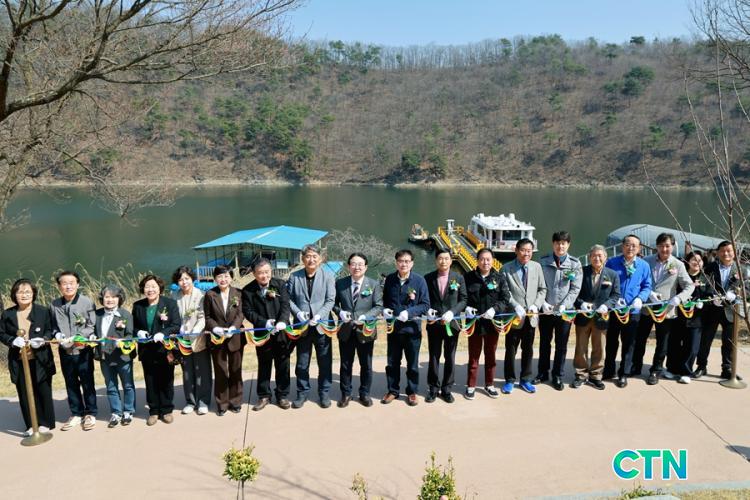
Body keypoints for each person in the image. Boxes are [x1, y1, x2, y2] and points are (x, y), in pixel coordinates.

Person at [632, 233, 694, 385]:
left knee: (662, 343)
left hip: (666, 310)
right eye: (661, 246)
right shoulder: (646, 261)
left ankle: (656, 370)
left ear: (672, 246)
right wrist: (648, 293)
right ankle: (635, 366)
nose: (664, 249)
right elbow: (638, 281)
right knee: (639, 339)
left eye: (667, 246)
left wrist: (679, 298)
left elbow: (689, 285)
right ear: (657, 246)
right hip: (646, 307)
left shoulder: (678, 264)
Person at [0, 279, 56, 436]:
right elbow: (1, 333)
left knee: (42, 390)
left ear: (33, 294)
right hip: (19, 360)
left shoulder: (43, 311)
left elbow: (50, 330)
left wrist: (43, 339)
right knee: (24, 392)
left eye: (27, 292)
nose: (24, 295)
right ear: (14, 295)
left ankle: (45, 423)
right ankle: (31, 424)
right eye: (20, 292)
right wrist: (12, 341)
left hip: (40, 358)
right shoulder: (8, 314)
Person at [286, 244, 336, 409]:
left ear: (320, 259)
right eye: (308, 256)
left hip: (322, 326)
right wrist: (298, 313)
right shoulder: (295, 277)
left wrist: (320, 315)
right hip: (302, 327)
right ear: (303, 259)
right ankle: (302, 393)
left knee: (325, 362)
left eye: (315, 256)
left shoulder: (328, 276)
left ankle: (324, 393)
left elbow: (330, 300)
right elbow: (288, 299)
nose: (311, 259)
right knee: (302, 363)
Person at [49, 270, 98, 431]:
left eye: (71, 283)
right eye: (64, 283)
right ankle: (76, 413)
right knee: (70, 382)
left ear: (78, 284)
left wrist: (78, 336)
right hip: (65, 351)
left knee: (87, 381)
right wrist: (57, 334)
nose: (68, 286)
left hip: (82, 350)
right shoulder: (54, 304)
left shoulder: (86, 302)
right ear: (59, 286)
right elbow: (53, 326)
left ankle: (91, 412)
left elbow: (91, 325)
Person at [242, 258, 293, 411]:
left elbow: (285, 305)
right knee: (264, 364)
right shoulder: (248, 290)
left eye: (267, 272)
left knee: (283, 363)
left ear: (271, 271)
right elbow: (248, 312)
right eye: (260, 273)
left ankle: (282, 395)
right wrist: (264, 323)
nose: (264, 276)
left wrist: (282, 321)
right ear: (254, 274)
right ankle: (264, 395)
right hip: (262, 332)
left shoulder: (280, 284)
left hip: (281, 331)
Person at [333, 252, 383, 407]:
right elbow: (333, 303)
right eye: (353, 264)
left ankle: (364, 393)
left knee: (366, 365)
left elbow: (378, 306)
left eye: (360, 264)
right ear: (349, 266)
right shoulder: (340, 283)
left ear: (366, 267)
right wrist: (340, 312)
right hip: (346, 330)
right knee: (345, 364)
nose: (357, 267)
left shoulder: (373, 284)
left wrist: (366, 316)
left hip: (365, 330)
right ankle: (346, 394)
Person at [381, 249, 430, 406]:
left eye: (407, 261)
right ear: (396, 263)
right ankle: (392, 390)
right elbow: (384, 300)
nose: (404, 264)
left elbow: (425, 305)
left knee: (412, 364)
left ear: (412, 263)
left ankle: (412, 392)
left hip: (412, 330)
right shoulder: (390, 279)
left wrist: (409, 312)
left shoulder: (419, 281)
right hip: (394, 329)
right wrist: (385, 310)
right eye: (401, 261)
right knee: (392, 363)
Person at [603, 235, 652, 388]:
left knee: (629, 343)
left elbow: (647, 286)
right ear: (622, 246)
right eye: (627, 244)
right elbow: (605, 282)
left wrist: (641, 298)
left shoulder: (643, 265)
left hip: (633, 311)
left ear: (639, 248)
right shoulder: (612, 262)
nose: (630, 248)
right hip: (615, 309)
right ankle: (608, 370)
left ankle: (624, 373)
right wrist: (612, 298)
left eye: (634, 245)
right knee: (611, 341)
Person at [536, 231, 583, 391]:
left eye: (563, 243)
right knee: (544, 342)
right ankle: (542, 373)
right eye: (557, 243)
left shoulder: (575, 264)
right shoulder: (543, 261)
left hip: (565, 312)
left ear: (568, 245)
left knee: (561, 345)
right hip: (546, 310)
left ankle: (557, 375)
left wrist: (565, 305)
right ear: (553, 244)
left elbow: (575, 289)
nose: (560, 246)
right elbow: (539, 285)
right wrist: (543, 303)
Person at [133, 274, 181, 425]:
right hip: (146, 350)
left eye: (153, 286)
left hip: (164, 349)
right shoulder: (138, 306)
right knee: (150, 380)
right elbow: (133, 327)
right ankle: (154, 410)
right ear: (143, 289)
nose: (150, 289)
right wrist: (138, 332)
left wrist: (164, 333)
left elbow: (176, 325)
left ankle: (166, 410)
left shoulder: (170, 303)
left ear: (159, 288)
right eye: (147, 287)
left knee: (166, 379)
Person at [462, 248, 510, 400]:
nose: (485, 262)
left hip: (492, 324)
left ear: (493, 261)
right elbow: (462, 298)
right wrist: (466, 308)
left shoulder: (499, 278)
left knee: (491, 355)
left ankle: (489, 385)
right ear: (477, 260)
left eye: (488, 259)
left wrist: (495, 309)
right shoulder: (468, 277)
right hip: (474, 323)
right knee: (473, 356)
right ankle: (471, 385)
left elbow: (505, 299)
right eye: (482, 259)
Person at [571, 245, 621, 390]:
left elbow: (616, 295)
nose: (597, 258)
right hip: (583, 316)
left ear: (605, 257)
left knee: (599, 348)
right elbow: (574, 292)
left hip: (601, 317)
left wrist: (607, 305)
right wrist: (580, 303)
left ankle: (595, 376)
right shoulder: (582, 272)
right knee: (581, 347)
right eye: (594, 255)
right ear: (589, 257)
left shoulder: (612, 274)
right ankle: (580, 375)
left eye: (600, 255)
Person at [501, 238, 547, 395]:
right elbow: (505, 292)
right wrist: (515, 305)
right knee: (511, 349)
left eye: (529, 251)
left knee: (528, 349)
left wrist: (536, 304)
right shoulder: (506, 268)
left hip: (531, 317)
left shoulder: (536, 267)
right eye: (523, 250)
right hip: (514, 316)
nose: (526, 254)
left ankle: (525, 379)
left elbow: (542, 289)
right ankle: (509, 380)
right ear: (516, 250)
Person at [695, 241, 744, 380]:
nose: (726, 253)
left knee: (729, 341)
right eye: (722, 250)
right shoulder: (710, 267)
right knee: (706, 339)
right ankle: (701, 366)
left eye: (729, 250)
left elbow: (746, 287)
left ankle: (727, 368)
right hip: (712, 309)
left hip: (731, 310)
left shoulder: (741, 269)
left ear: (734, 252)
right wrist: (711, 297)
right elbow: (702, 285)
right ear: (717, 253)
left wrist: (735, 295)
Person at [424, 249, 467, 403]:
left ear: (451, 260)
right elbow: (424, 299)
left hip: (452, 323)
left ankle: (447, 388)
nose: (443, 261)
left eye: (446, 258)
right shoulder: (428, 278)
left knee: (450, 357)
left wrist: (452, 312)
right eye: (440, 258)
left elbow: (463, 299)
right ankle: (433, 388)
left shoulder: (459, 278)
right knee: (434, 356)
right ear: (436, 260)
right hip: (434, 324)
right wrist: (428, 310)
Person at [203, 265, 245, 415]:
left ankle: (236, 401)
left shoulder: (238, 293)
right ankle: (222, 404)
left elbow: (241, 314)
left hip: (235, 337)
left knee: (235, 370)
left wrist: (234, 326)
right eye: (220, 276)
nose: (223, 279)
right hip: (217, 339)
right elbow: (207, 316)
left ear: (231, 277)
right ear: (215, 278)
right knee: (220, 371)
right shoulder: (210, 294)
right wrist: (215, 328)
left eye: (226, 276)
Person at [94, 285, 136, 428]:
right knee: (111, 386)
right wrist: (92, 337)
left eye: (113, 297)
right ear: (102, 299)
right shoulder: (97, 314)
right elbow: (93, 331)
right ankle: (116, 412)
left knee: (128, 385)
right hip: (105, 356)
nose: (110, 300)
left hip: (122, 356)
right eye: (107, 297)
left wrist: (123, 341)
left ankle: (128, 411)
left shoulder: (125, 314)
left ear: (119, 299)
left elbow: (130, 334)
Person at [171, 266, 210, 415]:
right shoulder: (174, 296)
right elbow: (172, 315)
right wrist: (178, 329)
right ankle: (190, 401)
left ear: (192, 279)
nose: (184, 282)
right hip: (182, 339)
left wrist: (194, 331)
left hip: (198, 338)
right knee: (187, 371)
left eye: (187, 278)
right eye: (180, 280)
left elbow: (202, 317)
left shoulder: (201, 295)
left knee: (202, 371)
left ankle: (203, 401)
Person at [669, 251, 709, 384]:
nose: (696, 262)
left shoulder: (706, 278)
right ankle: (672, 369)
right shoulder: (681, 275)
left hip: (696, 318)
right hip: (678, 315)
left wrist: (703, 302)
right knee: (674, 344)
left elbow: (710, 295)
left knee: (692, 346)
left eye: (699, 260)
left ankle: (686, 372)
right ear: (687, 261)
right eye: (693, 259)